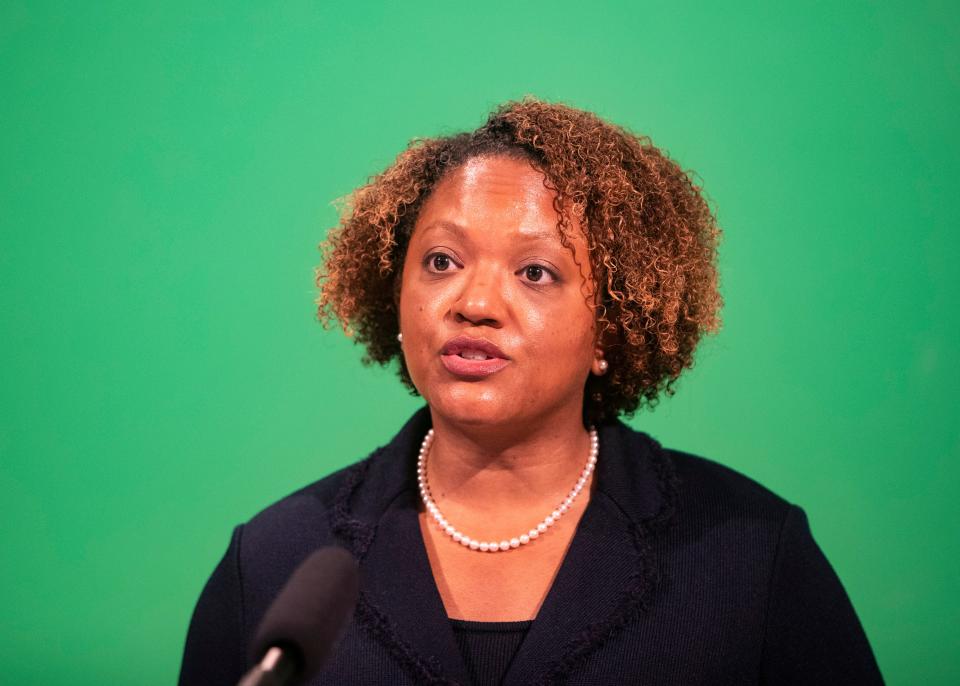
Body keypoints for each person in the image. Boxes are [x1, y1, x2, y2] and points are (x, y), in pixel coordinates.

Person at [179, 98, 883, 685]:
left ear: (613, 326)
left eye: (536, 272)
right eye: (441, 261)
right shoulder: (275, 561)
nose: (475, 302)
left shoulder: (749, 559)